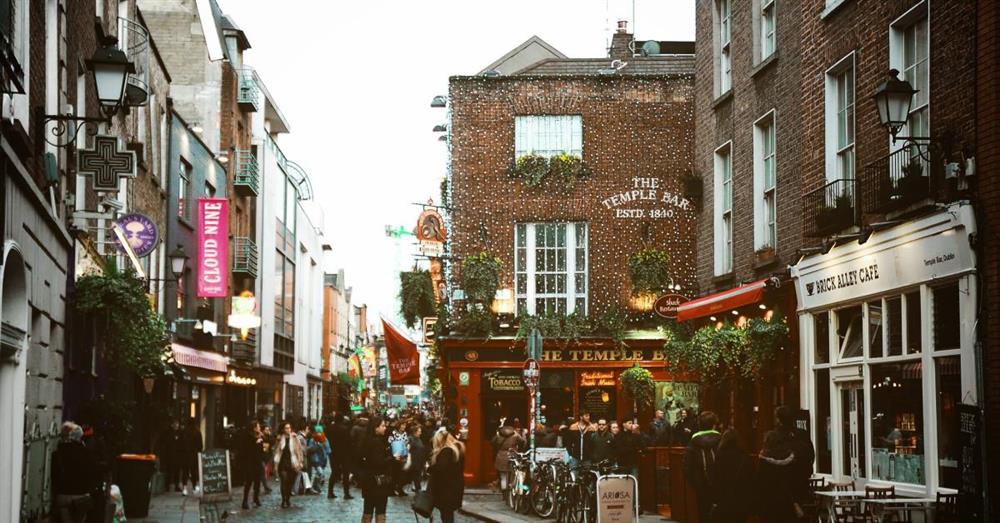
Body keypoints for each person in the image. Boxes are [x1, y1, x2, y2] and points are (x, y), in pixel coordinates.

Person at [51, 422, 99, 523]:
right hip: (82, 497)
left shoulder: (57, 454)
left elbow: (54, 476)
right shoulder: (87, 453)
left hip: (63, 496)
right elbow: (93, 474)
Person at [684, 411, 722, 523]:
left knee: (703, 512)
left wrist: (694, 482)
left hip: (700, 483)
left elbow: (687, 466)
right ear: (714, 424)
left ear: (699, 425)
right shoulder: (721, 440)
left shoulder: (693, 441)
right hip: (719, 482)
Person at [711, 430, 753, 523]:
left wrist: (715, 499)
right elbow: (750, 481)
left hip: (724, 501)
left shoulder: (719, 457)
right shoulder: (745, 457)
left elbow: (715, 480)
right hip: (741, 501)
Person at [359, 416, 393, 523]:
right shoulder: (376, 443)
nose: (385, 428)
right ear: (375, 428)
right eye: (382, 426)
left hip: (368, 481)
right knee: (380, 510)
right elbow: (378, 462)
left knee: (368, 509)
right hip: (378, 482)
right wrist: (392, 458)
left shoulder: (367, 440)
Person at [429, 427, 466, 523]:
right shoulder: (457, 450)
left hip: (446, 489)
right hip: (454, 486)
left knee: (446, 515)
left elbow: (441, 468)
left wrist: (429, 468)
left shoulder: (446, 451)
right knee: (448, 514)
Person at [272, 421, 305, 508]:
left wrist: (301, 461)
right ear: (283, 429)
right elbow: (275, 451)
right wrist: (274, 462)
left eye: (289, 428)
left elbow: (299, 451)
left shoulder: (295, 438)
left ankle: (288, 499)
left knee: (290, 482)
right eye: (286, 428)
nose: (288, 430)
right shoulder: (279, 439)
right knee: (284, 481)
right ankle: (283, 500)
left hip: (292, 463)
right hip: (282, 463)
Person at [238, 421, 266, 509]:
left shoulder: (259, 437)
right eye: (258, 427)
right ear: (254, 428)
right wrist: (256, 442)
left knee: (257, 482)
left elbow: (262, 450)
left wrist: (261, 439)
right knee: (249, 482)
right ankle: (245, 501)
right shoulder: (248, 437)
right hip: (249, 463)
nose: (259, 428)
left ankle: (256, 498)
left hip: (258, 463)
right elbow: (246, 450)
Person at [491, 420, 525, 491]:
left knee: (503, 474)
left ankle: (504, 489)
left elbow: (493, 442)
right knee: (512, 473)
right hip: (512, 454)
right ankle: (511, 489)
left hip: (501, 454)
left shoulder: (499, 434)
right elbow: (522, 442)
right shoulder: (515, 434)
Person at [329, 415, 354, 499]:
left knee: (334, 472)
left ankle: (330, 492)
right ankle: (346, 493)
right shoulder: (345, 429)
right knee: (345, 473)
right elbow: (349, 441)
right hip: (344, 454)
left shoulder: (330, 428)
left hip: (333, 453)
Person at [157, 420, 183, 492]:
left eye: (177, 424)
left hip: (177, 455)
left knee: (177, 471)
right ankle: (167, 486)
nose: (176, 425)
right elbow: (164, 444)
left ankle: (176, 485)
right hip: (169, 455)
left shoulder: (180, 433)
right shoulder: (167, 433)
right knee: (169, 470)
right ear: (172, 425)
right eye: (175, 424)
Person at [179, 422, 203, 496]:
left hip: (185, 455)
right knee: (194, 471)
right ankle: (195, 487)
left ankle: (185, 489)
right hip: (194, 455)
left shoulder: (184, 432)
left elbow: (180, 444)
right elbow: (200, 445)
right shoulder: (197, 432)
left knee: (185, 472)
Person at [307, 426, 330, 495]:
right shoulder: (312, 440)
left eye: (320, 432)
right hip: (316, 460)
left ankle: (316, 486)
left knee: (320, 474)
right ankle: (314, 487)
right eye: (317, 432)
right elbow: (309, 450)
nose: (319, 434)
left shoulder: (325, 439)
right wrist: (316, 446)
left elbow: (328, 450)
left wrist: (324, 444)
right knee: (320, 473)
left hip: (323, 459)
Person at [409, 424, 428, 492]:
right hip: (415, 461)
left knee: (418, 476)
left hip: (419, 460)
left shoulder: (419, 439)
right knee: (416, 476)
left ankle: (418, 488)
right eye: (419, 431)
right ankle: (417, 488)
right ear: (415, 432)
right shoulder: (411, 439)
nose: (420, 433)